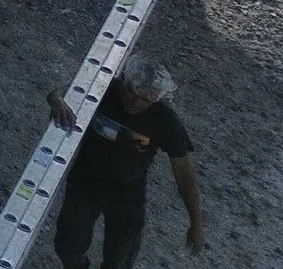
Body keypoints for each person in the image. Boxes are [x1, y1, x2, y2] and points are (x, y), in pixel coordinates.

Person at [45, 56, 204, 267]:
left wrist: (196, 223)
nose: (136, 103)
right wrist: (56, 100)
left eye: (146, 99)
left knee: (119, 260)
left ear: (156, 99)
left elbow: (183, 174)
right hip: (85, 183)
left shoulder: (165, 121)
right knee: (67, 246)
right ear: (123, 81)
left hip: (128, 195)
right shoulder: (103, 90)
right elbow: (64, 91)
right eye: (132, 92)